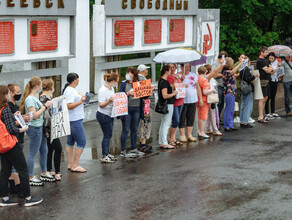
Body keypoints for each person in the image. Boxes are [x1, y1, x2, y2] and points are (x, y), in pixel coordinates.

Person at [0, 85, 43, 207]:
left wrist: (14, 117)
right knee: (23, 169)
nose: (9, 95)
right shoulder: (6, 109)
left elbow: (4, 125)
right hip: (11, 144)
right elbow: (11, 129)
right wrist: (22, 128)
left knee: (5, 171)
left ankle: (5, 198)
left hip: (2, 145)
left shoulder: (0, 109)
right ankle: (28, 198)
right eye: (8, 93)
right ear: (4, 95)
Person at [20, 77, 55, 186]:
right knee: (32, 152)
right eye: (40, 85)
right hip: (34, 128)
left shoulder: (34, 98)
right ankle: (30, 176)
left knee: (44, 150)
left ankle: (44, 172)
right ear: (36, 86)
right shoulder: (30, 99)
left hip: (40, 127)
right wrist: (45, 106)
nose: (42, 86)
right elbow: (34, 116)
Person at [63, 73, 87, 173]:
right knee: (82, 141)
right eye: (78, 79)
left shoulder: (71, 90)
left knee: (70, 141)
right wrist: (81, 101)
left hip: (73, 119)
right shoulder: (69, 91)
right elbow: (68, 105)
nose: (78, 80)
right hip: (73, 119)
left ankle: (70, 163)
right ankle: (75, 165)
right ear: (74, 80)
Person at [119, 67, 145, 157]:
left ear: (134, 74)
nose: (128, 74)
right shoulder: (123, 84)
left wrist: (148, 90)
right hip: (127, 109)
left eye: (130, 73)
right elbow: (119, 96)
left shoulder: (138, 83)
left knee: (134, 129)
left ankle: (134, 148)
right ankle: (123, 150)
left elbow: (145, 95)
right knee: (125, 129)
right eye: (127, 72)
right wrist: (128, 94)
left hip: (137, 108)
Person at [40, 79, 62, 181]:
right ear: (51, 87)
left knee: (50, 149)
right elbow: (45, 116)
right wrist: (46, 130)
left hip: (52, 126)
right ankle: (57, 171)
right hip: (49, 127)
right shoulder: (44, 98)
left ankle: (49, 169)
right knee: (58, 148)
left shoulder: (48, 97)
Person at [96, 73, 119, 163]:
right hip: (103, 114)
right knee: (107, 134)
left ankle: (107, 152)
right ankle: (104, 155)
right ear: (113, 81)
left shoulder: (112, 89)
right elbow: (101, 104)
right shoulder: (102, 90)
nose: (117, 83)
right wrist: (109, 100)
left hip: (110, 114)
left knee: (109, 134)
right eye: (117, 81)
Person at [178, 63, 203, 143]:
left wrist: (200, 98)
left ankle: (189, 134)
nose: (188, 68)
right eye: (186, 67)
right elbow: (176, 86)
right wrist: (181, 80)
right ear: (181, 67)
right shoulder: (178, 75)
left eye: (189, 67)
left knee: (191, 117)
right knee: (182, 117)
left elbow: (198, 87)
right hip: (183, 100)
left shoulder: (194, 75)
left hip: (193, 99)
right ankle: (182, 135)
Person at [157, 65, 178, 149]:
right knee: (166, 123)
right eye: (169, 70)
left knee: (164, 123)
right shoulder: (164, 82)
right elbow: (165, 95)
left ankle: (162, 142)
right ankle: (164, 142)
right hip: (168, 104)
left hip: (166, 104)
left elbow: (169, 88)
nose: (171, 71)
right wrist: (173, 93)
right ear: (166, 71)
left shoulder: (162, 81)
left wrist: (175, 81)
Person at [222, 57, 243, 131]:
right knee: (228, 109)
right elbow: (233, 72)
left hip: (232, 92)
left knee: (231, 109)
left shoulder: (229, 71)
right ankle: (227, 125)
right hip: (229, 92)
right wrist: (240, 63)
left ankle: (230, 125)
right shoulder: (226, 72)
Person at [137, 64, 154, 152]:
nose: (147, 71)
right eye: (146, 70)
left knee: (144, 123)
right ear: (143, 71)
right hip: (145, 105)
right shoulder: (141, 79)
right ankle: (142, 143)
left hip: (144, 104)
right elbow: (144, 93)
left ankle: (143, 142)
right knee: (145, 123)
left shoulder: (140, 79)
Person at [256, 46, 275, 123]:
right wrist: (270, 68)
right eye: (266, 52)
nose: (267, 54)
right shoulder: (260, 60)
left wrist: (270, 68)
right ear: (262, 53)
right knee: (262, 98)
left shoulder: (265, 60)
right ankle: (260, 116)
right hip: (262, 81)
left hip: (267, 80)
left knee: (266, 97)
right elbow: (267, 70)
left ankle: (262, 115)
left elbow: (272, 70)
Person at [197, 66, 217, 138]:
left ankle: (199, 130)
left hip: (198, 99)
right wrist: (212, 90)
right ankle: (202, 132)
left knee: (199, 116)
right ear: (205, 72)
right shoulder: (204, 80)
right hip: (204, 100)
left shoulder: (197, 79)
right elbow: (205, 92)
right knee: (203, 116)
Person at [167, 64, 184, 146]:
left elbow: (180, 87)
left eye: (173, 67)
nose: (172, 69)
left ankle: (173, 138)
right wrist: (176, 80)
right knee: (175, 120)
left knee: (177, 121)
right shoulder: (169, 77)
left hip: (180, 100)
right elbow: (172, 88)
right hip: (174, 102)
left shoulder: (178, 76)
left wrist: (182, 81)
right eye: (170, 67)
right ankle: (171, 138)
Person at [239, 58, 260, 128]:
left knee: (243, 104)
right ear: (248, 62)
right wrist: (254, 76)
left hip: (242, 88)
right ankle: (245, 122)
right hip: (247, 88)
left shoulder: (241, 69)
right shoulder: (247, 69)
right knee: (247, 106)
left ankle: (241, 120)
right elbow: (248, 78)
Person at [204, 64, 223, 136]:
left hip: (211, 97)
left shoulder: (211, 78)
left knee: (209, 114)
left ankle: (208, 128)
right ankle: (215, 129)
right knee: (213, 114)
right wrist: (221, 64)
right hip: (211, 97)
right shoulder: (207, 77)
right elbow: (215, 71)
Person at [212, 51, 229, 120]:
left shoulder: (222, 64)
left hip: (223, 85)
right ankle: (216, 118)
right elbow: (214, 74)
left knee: (222, 103)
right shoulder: (215, 64)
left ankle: (218, 117)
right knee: (218, 103)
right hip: (218, 85)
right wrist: (221, 75)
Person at [265, 52, 280, 119]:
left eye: (272, 58)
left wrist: (278, 69)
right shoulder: (267, 63)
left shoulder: (277, 62)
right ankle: (267, 112)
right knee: (268, 96)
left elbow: (278, 71)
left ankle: (273, 112)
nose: (271, 59)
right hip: (270, 80)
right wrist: (275, 70)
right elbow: (270, 73)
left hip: (276, 80)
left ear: (274, 58)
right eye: (270, 58)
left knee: (273, 96)